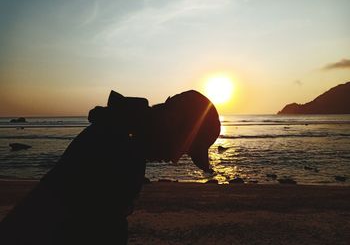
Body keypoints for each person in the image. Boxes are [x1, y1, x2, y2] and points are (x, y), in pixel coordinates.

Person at [0, 90, 221, 244]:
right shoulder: (120, 149)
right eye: (185, 147)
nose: (175, 159)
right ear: (172, 121)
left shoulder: (117, 134)